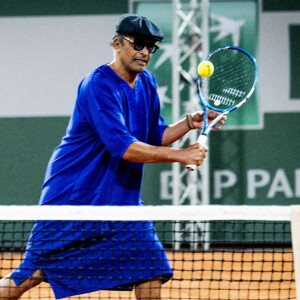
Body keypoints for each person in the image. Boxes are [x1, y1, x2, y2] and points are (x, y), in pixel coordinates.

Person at [0, 14, 226, 300]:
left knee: (150, 267)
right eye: (139, 44)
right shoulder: (97, 85)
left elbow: (152, 133)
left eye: (151, 47)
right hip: (74, 197)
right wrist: (181, 155)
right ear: (117, 43)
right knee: (33, 273)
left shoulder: (147, 82)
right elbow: (124, 147)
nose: (145, 52)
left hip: (122, 201)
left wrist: (188, 123)